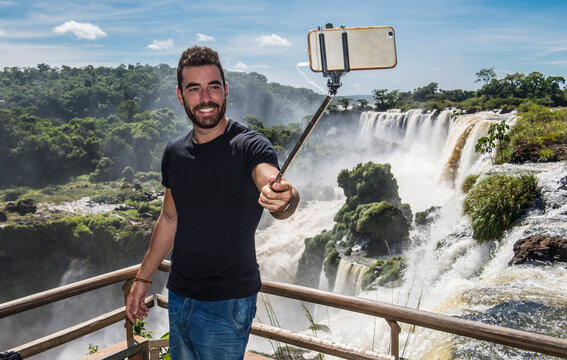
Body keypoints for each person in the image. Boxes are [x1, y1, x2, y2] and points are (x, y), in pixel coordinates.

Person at [125, 45, 299, 359]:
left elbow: (271, 180)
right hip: (179, 295)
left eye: (213, 87)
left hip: (227, 303)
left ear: (225, 90)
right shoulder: (174, 153)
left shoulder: (248, 145)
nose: (206, 98)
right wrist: (142, 276)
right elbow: (169, 219)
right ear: (180, 96)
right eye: (195, 89)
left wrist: (284, 195)